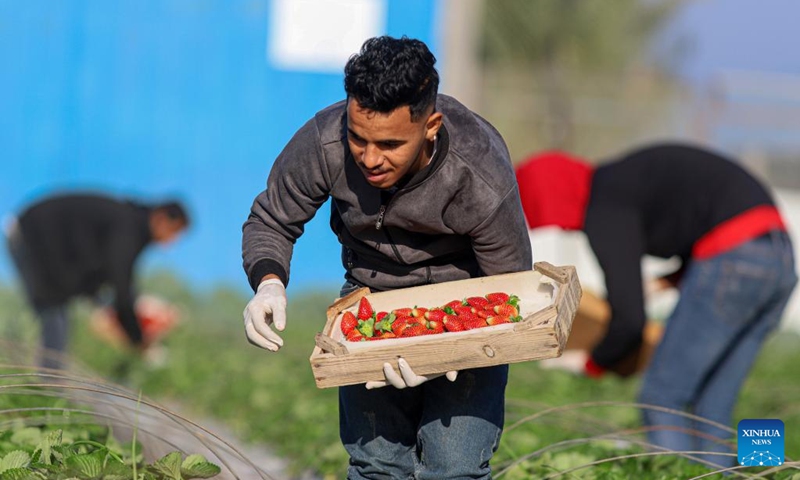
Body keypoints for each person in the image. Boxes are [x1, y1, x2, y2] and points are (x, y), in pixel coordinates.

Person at [242, 36, 532, 479]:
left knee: (453, 468)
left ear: (430, 125)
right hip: (369, 302)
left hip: (463, 308)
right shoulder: (325, 141)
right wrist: (268, 282)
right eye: (359, 139)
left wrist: (449, 352)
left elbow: (510, 292)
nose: (370, 159)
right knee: (376, 465)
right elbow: (273, 219)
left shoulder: (479, 171)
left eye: (391, 144)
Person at [515, 143, 797, 467]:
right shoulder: (626, 179)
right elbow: (706, 217)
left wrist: (590, 363)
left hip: (732, 257)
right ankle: (759, 472)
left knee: (662, 396)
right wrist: (666, 282)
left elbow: (630, 321)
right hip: (779, 260)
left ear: (551, 197)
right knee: (713, 407)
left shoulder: (604, 204)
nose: (565, 228)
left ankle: (678, 473)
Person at [5, 192, 190, 369]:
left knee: (59, 313)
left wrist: (112, 310)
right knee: (55, 313)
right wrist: (137, 338)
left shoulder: (130, 225)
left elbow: (107, 277)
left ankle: (46, 380)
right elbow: (121, 285)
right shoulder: (127, 229)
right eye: (173, 232)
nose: (171, 242)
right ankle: (46, 384)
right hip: (30, 235)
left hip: (47, 244)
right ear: (161, 219)